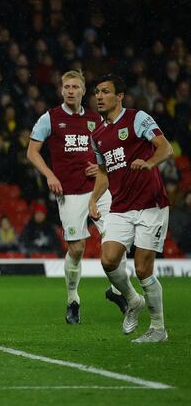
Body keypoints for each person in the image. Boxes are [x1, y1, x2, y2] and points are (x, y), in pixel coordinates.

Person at [27, 70, 127, 324]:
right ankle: (72, 299)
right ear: (62, 90)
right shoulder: (50, 118)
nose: (71, 91)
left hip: (97, 189)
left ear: (84, 91)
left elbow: (109, 149)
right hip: (69, 191)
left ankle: (117, 291)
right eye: (67, 87)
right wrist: (50, 175)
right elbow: (32, 152)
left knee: (118, 235)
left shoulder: (96, 119)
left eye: (75, 87)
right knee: (77, 247)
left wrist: (100, 166)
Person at [89, 74, 173, 343]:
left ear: (120, 96)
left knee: (143, 269)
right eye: (97, 92)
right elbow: (103, 172)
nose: (99, 96)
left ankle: (158, 329)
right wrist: (93, 198)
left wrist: (149, 163)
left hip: (150, 204)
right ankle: (132, 300)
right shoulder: (97, 135)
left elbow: (165, 148)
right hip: (121, 206)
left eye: (105, 91)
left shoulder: (137, 118)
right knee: (108, 260)